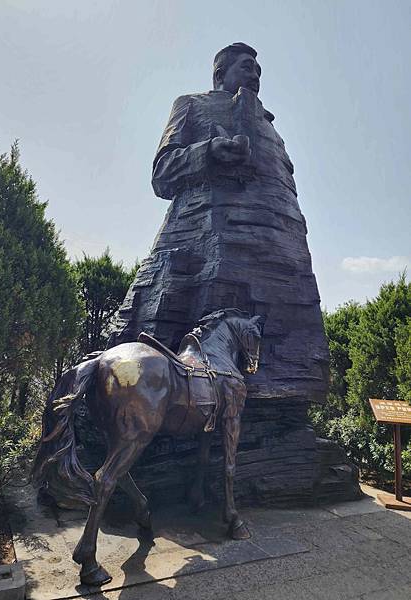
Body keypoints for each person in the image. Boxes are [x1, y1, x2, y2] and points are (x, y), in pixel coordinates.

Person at [109, 42, 328, 404]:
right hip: (210, 245)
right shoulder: (190, 105)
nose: (255, 75)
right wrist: (208, 151)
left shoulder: (271, 128)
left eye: (259, 71)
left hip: (281, 262)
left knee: (289, 371)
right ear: (219, 74)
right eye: (246, 67)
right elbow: (162, 174)